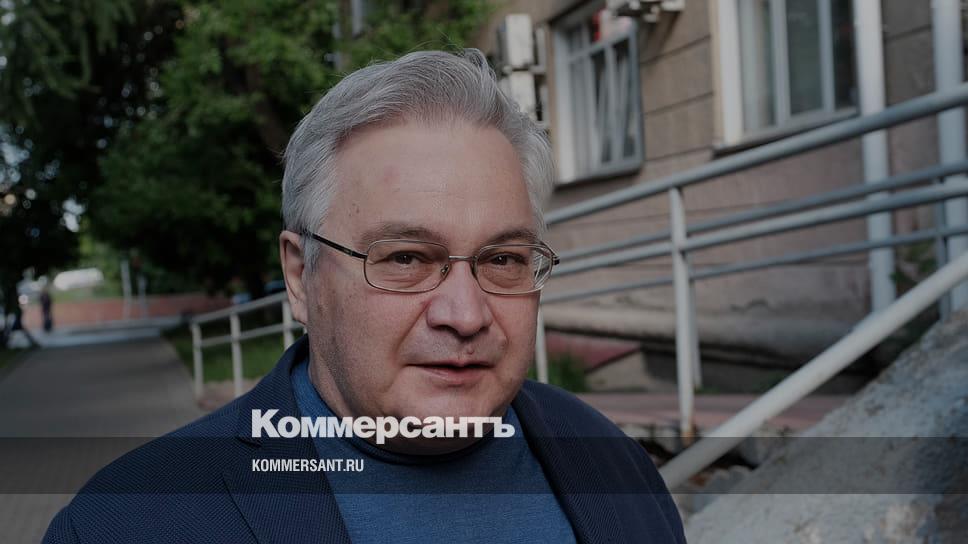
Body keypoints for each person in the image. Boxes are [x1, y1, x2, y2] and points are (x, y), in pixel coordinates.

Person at [43, 49, 685, 543]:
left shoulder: (610, 462)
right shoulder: (130, 521)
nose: (465, 315)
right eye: (405, 258)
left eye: (502, 260)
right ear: (301, 276)